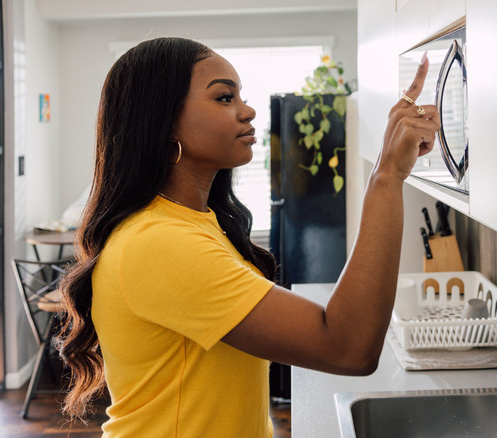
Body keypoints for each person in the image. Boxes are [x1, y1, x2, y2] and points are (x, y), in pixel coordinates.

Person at [58, 36, 439, 437]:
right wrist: (386, 176)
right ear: (165, 121)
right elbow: (347, 346)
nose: (248, 110)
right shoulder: (159, 242)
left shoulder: (193, 223)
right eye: (225, 98)